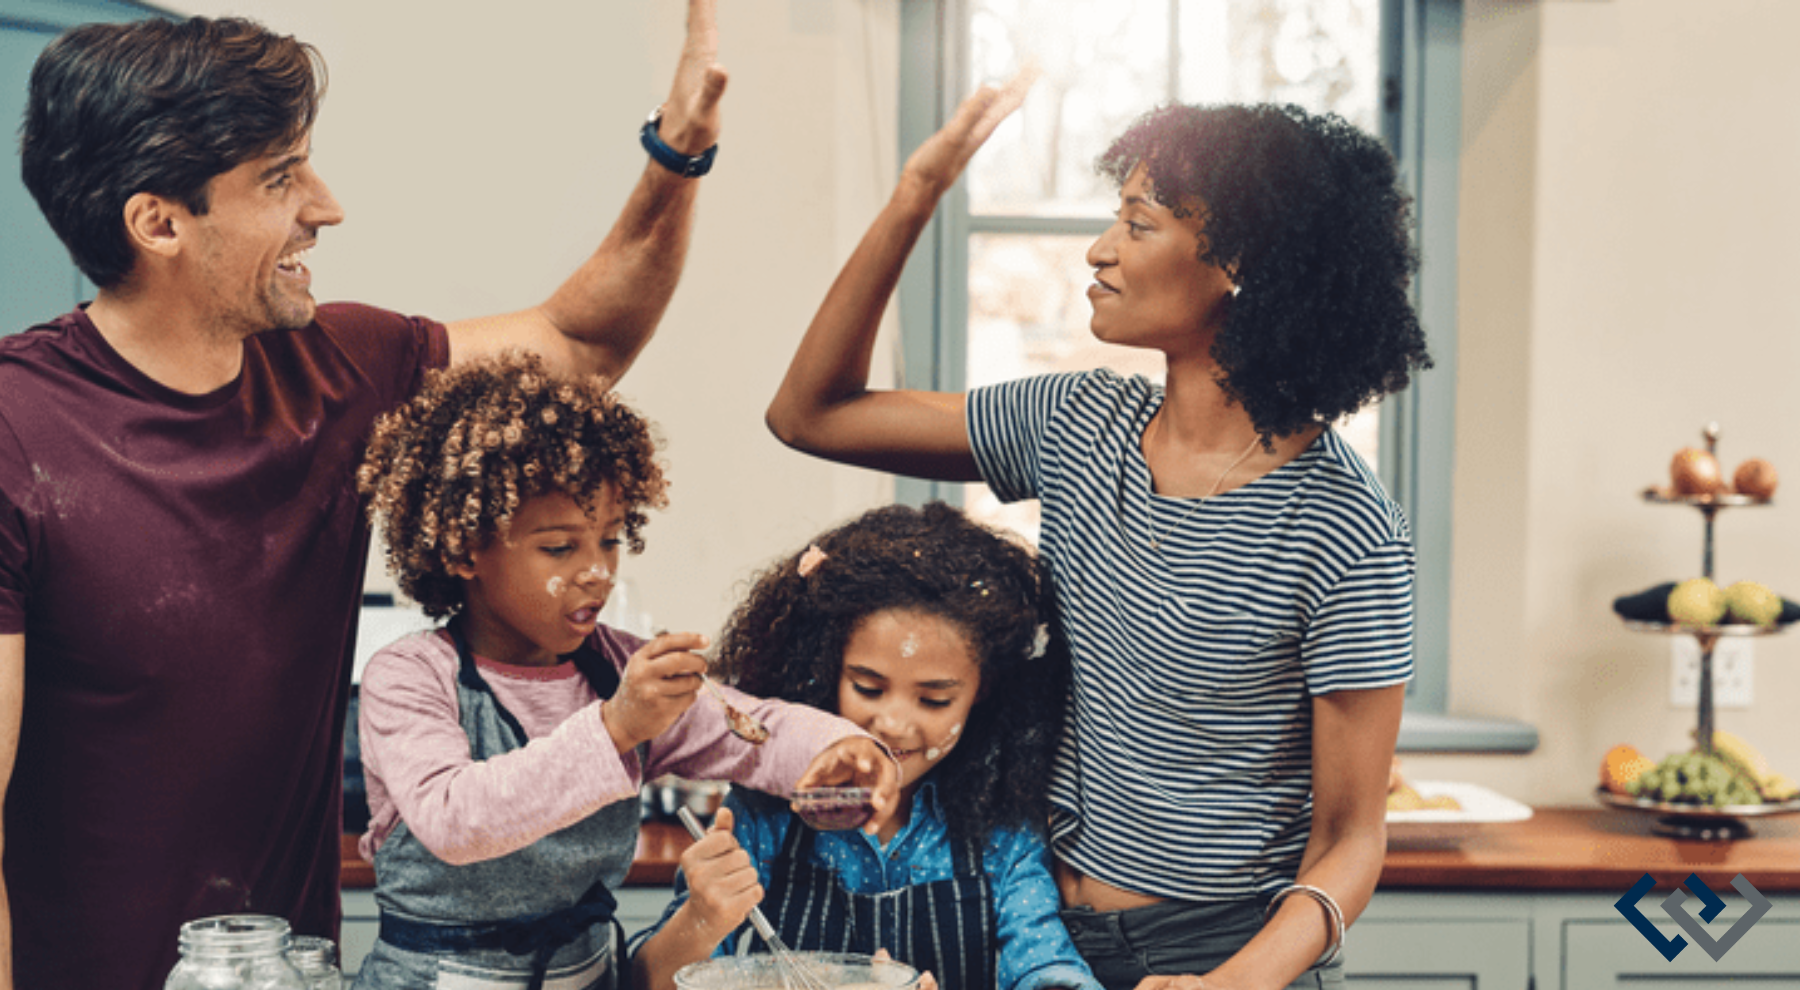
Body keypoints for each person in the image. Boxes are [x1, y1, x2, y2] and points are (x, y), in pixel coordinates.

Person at [0, 4, 728, 987]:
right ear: (158, 221)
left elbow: (584, 344)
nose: (326, 205)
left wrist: (676, 154)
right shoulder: (14, 427)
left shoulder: (337, 366)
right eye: (279, 177)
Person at [761, 85, 1433, 990]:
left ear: (1244, 264)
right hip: (1043, 941)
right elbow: (811, 415)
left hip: (1226, 955)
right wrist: (916, 193)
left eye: (1139, 223)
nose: (1100, 250)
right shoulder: (1079, 422)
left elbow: (1352, 838)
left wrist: (1234, 983)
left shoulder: (1343, 526)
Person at [347, 352, 898, 990]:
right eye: (559, 547)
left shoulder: (616, 668)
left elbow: (749, 729)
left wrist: (846, 748)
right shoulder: (409, 677)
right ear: (466, 550)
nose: (598, 571)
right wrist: (615, 728)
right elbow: (453, 819)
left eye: (609, 539)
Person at [630, 502, 1100, 990]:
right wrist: (700, 920)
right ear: (829, 669)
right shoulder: (764, 815)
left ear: (981, 691)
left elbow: (1047, 967)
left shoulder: (1002, 831)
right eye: (868, 689)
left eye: (934, 699)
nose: (892, 725)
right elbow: (646, 983)